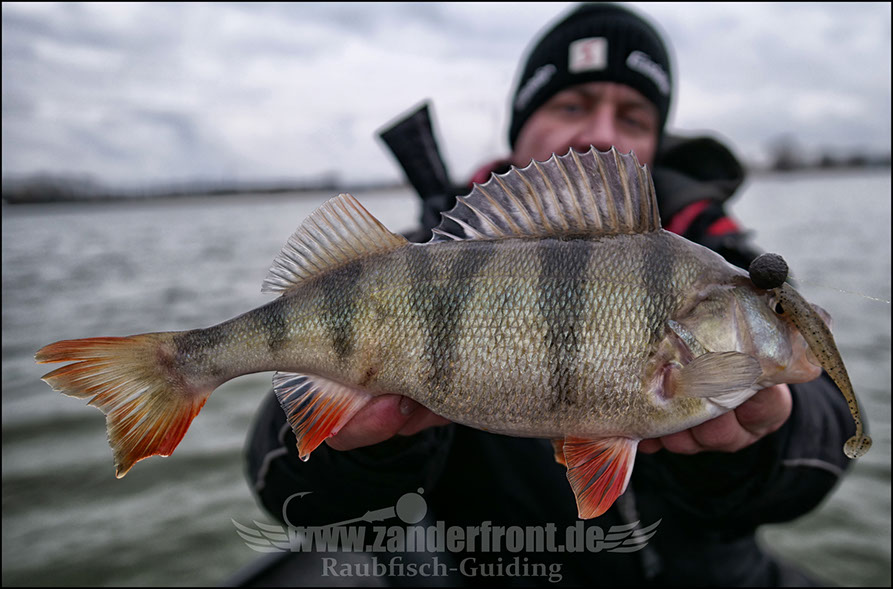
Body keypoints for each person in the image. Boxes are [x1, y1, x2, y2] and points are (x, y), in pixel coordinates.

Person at [242, 3, 858, 586]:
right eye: (571, 104)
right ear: (521, 125)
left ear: (656, 144)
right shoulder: (413, 264)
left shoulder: (724, 264)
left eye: (633, 118)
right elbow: (286, 486)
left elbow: (827, 443)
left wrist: (751, 450)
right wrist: (371, 451)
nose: (599, 133)